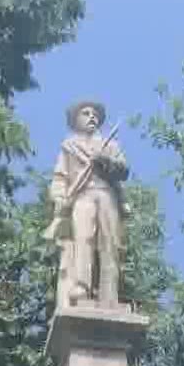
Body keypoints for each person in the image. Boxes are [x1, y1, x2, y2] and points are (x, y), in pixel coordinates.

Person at [48, 100, 128, 308]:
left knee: (110, 243)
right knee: (83, 239)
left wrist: (105, 161)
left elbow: (123, 171)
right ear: (75, 121)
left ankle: (109, 293)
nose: (92, 117)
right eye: (86, 113)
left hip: (106, 193)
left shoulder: (110, 145)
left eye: (95, 114)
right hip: (81, 196)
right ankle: (81, 286)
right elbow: (60, 177)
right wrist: (59, 199)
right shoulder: (69, 146)